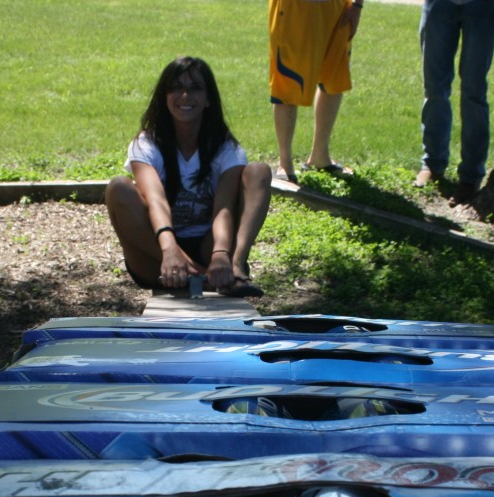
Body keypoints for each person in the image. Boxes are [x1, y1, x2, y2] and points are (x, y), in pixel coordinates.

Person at [105, 56, 272, 296]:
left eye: (195, 88)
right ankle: (203, 277)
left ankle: (233, 267)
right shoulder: (146, 143)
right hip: (157, 252)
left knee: (259, 171)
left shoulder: (226, 147)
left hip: (210, 246)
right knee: (118, 187)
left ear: (208, 100)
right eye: (176, 88)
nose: (185, 96)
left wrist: (221, 254)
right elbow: (155, 200)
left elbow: (223, 208)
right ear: (164, 97)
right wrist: (170, 248)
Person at [414, 0, 494, 207]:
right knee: (434, 88)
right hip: (439, 5)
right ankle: (432, 163)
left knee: (474, 93)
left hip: (482, 7)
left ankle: (470, 176)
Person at [269, 0, 363, 183]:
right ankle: (285, 163)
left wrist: (358, 5)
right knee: (288, 84)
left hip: (338, 8)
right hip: (294, 9)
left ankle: (320, 157)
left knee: (334, 80)